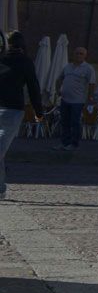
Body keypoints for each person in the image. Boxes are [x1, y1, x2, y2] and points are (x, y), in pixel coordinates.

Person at [0, 31, 44, 200]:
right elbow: (34, 89)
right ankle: (1, 189)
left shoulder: (24, 62)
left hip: (12, 111)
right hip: (13, 110)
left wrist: (38, 112)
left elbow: (33, 88)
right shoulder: (24, 62)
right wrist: (38, 112)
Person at [54, 46, 95, 151]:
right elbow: (59, 79)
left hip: (78, 100)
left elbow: (91, 84)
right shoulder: (67, 67)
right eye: (77, 53)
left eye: (81, 54)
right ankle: (64, 143)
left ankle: (74, 144)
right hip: (65, 99)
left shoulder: (88, 68)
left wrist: (90, 98)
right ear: (73, 54)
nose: (78, 55)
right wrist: (58, 90)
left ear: (85, 56)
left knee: (75, 122)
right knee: (64, 121)